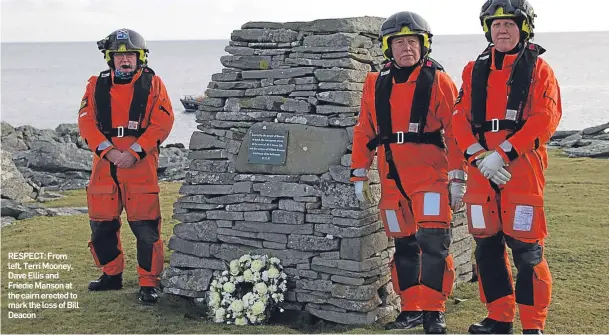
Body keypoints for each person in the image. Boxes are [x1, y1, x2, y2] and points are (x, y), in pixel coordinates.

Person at [350, 11, 467, 334]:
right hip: (392, 180)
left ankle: (434, 311)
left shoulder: (438, 81)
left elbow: (456, 132)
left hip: (430, 177)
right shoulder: (375, 83)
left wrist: (457, 177)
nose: (406, 49)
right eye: (399, 43)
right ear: (388, 47)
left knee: (433, 244)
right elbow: (364, 130)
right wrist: (358, 173)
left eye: (412, 42)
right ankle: (411, 309)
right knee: (403, 246)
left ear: (423, 45)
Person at [452, 0, 562, 333]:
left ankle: (533, 326)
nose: (502, 30)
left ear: (524, 27)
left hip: (521, 169)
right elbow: (460, 118)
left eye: (510, 24)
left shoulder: (541, 70)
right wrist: (477, 156)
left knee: (527, 251)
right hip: (480, 169)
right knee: (486, 247)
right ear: (488, 29)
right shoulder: (473, 70)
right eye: (496, 24)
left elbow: (546, 119)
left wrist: (503, 153)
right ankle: (499, 319)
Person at [77, 28, 174, 304]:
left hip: (140, 164)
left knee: (146, 227)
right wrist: (108, 151)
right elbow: (86, 121)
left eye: (130, 54)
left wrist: (135, 150)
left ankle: (148, 282)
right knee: (102, 225)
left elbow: (163, 121)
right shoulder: (95, 85)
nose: (125, 60)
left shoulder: (154, 84)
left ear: (140, 56)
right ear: (110, 58)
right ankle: (111, 275)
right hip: (105, 164)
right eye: (119, 55)